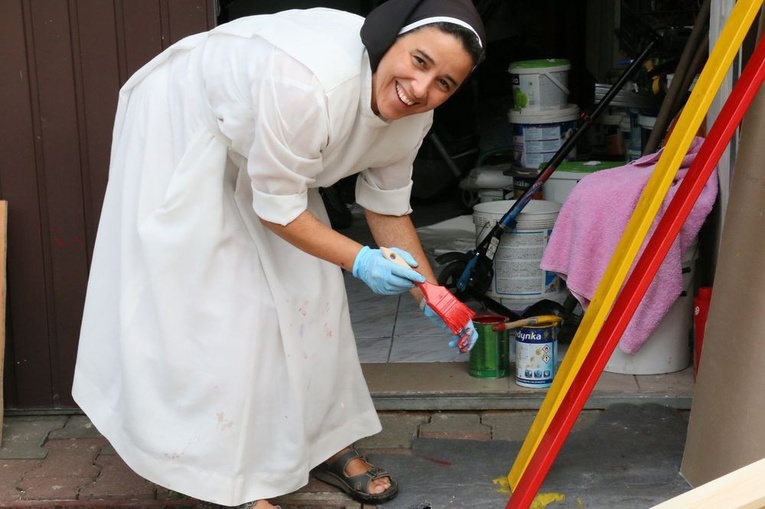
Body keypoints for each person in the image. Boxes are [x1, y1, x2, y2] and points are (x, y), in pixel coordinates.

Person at [72, 0, 485, 507]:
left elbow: (387, 205)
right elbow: (279, 213)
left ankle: (325, 442)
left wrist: (431, 293)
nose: (422, 89)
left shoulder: (414, 112)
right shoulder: (308, 86)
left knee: (308, 289)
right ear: (387, 42)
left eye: (445, 82)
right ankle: (229, 477)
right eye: (419, 61)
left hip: (272, 141)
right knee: (226, 302)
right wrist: (360, 260)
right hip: (186, 119)